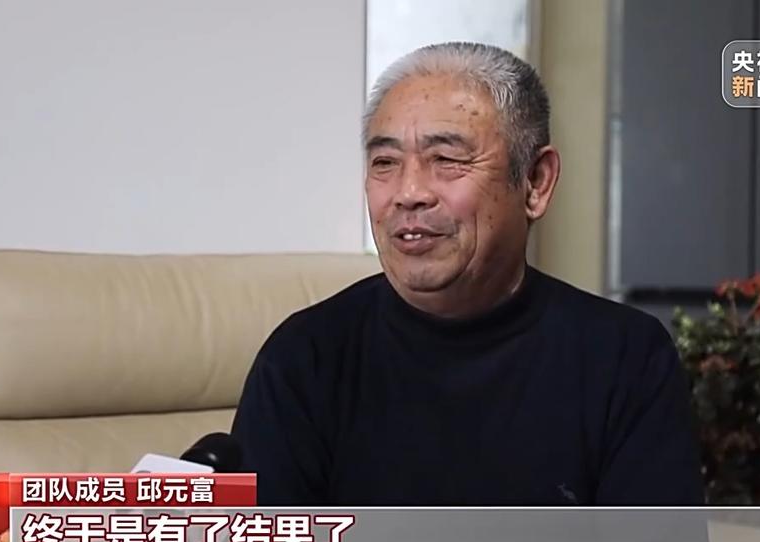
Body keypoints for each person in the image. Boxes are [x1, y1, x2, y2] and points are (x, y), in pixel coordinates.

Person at [231, 42, 704, 505]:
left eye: (447, 159)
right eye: (385, 163)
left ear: (535, 183)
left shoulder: (625, 359)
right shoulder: (303, 361)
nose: (408, 193)